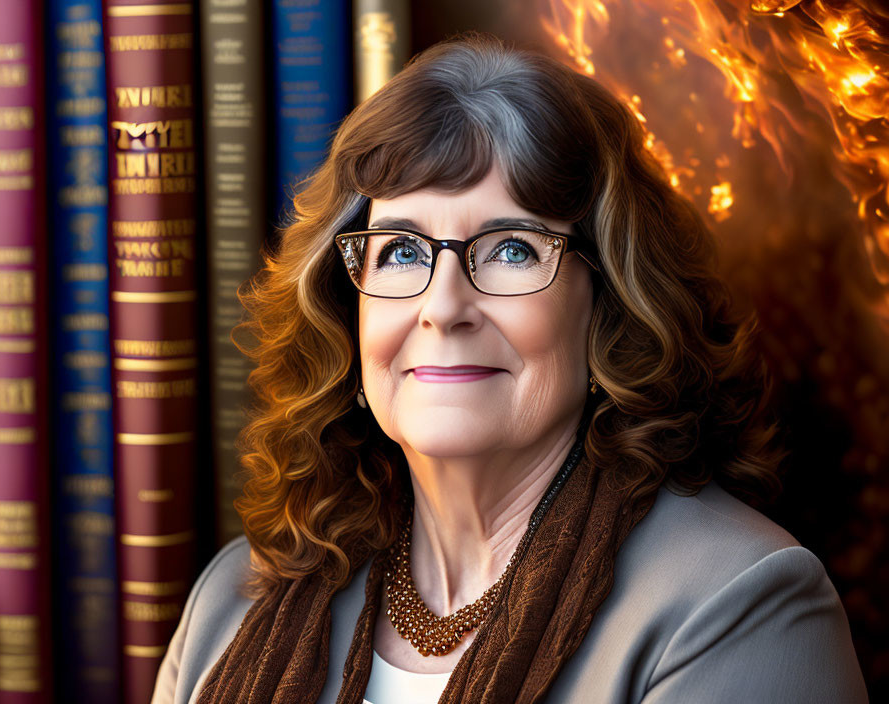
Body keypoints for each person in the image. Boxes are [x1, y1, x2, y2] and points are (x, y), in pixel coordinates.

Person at [152, 32, 868, 704]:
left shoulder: (740, 605)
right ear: (349, 310)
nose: (443, 306)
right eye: (401, 251)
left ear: (612, 308)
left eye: (512, 249)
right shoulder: (235, 598)